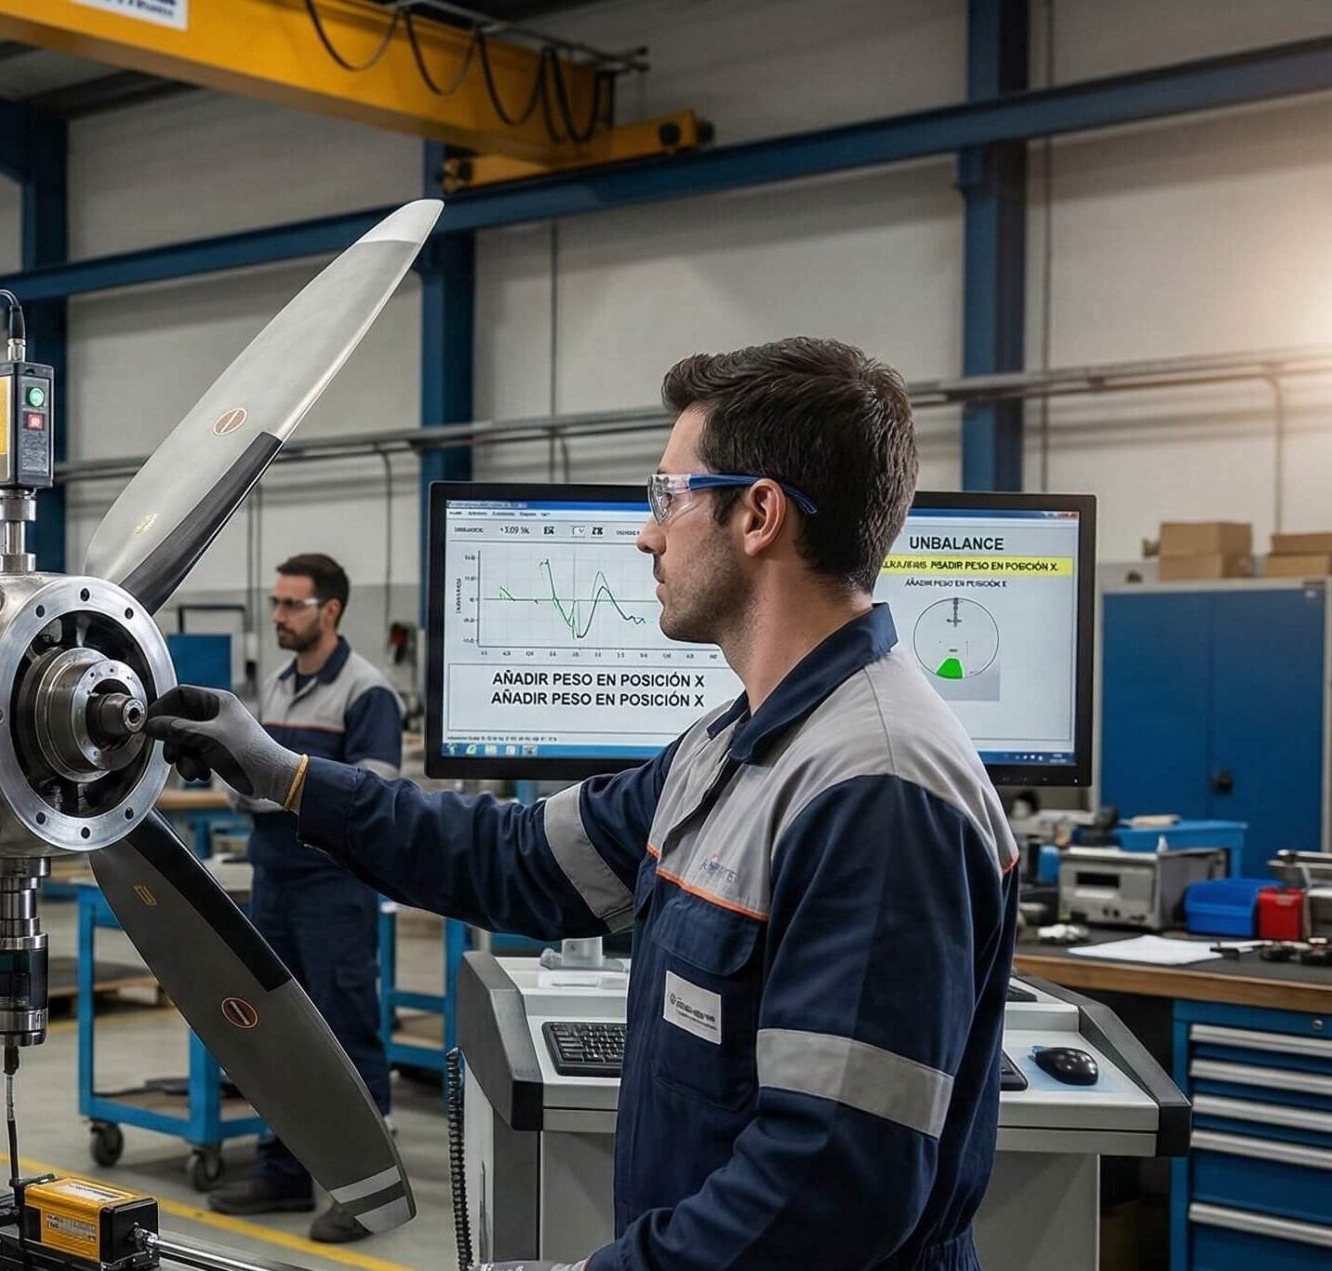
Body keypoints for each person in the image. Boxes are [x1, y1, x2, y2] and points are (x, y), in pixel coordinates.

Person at [151, 338, 1017, 1271]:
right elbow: (517, 855)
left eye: (668, 496)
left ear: (759, 512)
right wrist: (287, 776)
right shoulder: (728, 747)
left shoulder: (876, 791)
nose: (648, 534)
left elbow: (831, 1185)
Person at [201, 553, 403, 1245]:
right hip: (274, 885)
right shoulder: (280, 689)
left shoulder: (365, 692)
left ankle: (369, 1191)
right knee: (274, 1034)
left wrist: (274, 788)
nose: (279, 616)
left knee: (348, 1031)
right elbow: (241, 786)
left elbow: (369, 795)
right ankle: (283, 1171)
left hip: (332, 887)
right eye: (276, 603)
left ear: (331, 610)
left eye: (292, 604)